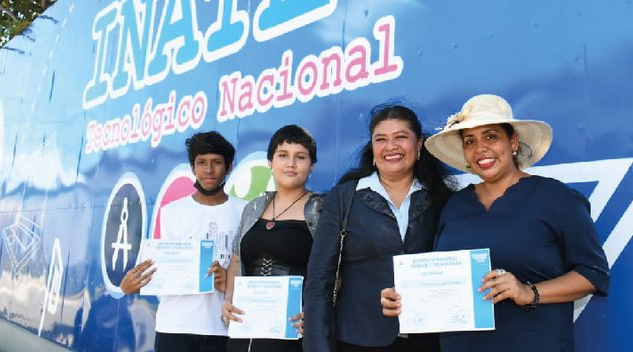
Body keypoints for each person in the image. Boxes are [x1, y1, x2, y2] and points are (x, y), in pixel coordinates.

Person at [380, 94, 610, 351]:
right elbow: (443, 280)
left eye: (491, 136)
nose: (480, 148)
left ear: (512, 141)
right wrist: (407, 298)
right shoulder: (454, 206)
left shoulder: (558, 199)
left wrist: (528, 292)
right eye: (470, 141)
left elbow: (593, 274)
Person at [303, 104, 453, 352]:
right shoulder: (345, 198)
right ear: (372, 149)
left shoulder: (441, 199)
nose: (390, 147)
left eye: (401, 137)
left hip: (427, 340)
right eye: (381, 139)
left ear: (419, 145)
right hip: (358, 339)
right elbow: (320, 280)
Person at [120, 131, 247, 352]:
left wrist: (229, 280)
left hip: (224, 328)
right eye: (201, 163)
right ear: (192, 168)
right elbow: (158, 271)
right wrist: (130, 285)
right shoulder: (171, 212)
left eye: (216, 162)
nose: (208, 170)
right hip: (175, 326)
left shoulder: (246, 210)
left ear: (229, 167)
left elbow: (253, 267)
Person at [220, 125, 324, 352]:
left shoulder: (322, 209)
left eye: (301, 157)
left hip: (294, 333)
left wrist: (318, 313)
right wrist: (228, 300)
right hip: (245, 330)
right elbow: (236, 259)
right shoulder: (253, 208)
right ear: (270, 161)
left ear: (312, 165)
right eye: (283, 156)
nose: (291, 164)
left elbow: (336, 269)